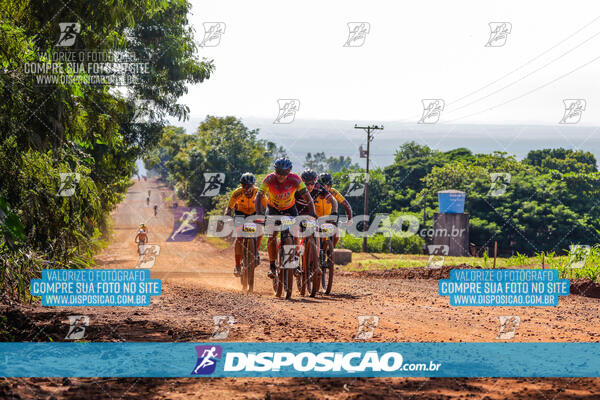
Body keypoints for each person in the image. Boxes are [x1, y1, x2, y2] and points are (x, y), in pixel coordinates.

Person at [255, 158, 317, 278]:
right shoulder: (269, 179)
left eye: (285, 173)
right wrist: (258, 212)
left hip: (290, 208)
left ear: (289, 172)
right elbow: (259, 195)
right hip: (273, 209)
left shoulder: (295, 179)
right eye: (279, 172)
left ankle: (294, 263)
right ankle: (272, 266)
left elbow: (308, 197)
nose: (281, 176)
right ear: (275, 170)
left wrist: (313, 212)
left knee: (295, 232)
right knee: (272, 235)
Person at [295, 169, 338, 276]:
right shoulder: (296, 189)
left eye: (312, 184)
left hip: (310, 215)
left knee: (317, 230)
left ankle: (317, 261)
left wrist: (334, 212)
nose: (310, 186)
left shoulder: (319, 188)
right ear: (302, 183)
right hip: (296, 214)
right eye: (307, 184)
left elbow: (333, 200)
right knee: (295, 231)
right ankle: (295, 258)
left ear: (316, 182)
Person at [225, 172, 267, 277]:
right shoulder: (237, 193)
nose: (247, 189)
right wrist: (227, 216)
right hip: (240, 214)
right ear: (241, 185)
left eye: (250, 186)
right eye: (244, 186)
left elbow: (267, 206)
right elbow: (229, 208)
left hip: (254, 213)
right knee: (239, 237)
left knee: (260, 230)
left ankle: (255, 252)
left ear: (254, 185)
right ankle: (237, 265)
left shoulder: (259, 192)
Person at [318, 173, 353, 247]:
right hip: (316, 219)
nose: (326, 188)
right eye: (323, 185)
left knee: (337, 233)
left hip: (328, 219)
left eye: (328, 186)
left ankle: (330, 251)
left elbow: (346, 204)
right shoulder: (315, 192)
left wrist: (350, 218)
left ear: (330, 185)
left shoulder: (333, 191)